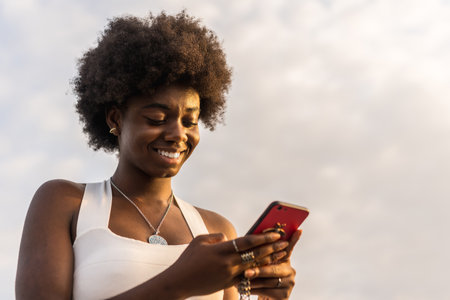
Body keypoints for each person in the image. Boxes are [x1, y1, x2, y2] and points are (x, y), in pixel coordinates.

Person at [15, 11, 302, 300]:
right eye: (156, 118)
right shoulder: (65, 202)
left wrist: (270, 298)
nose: (178, 134)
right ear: (116, 118)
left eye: (190, 121)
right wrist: (180, 283)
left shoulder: (217, 229)